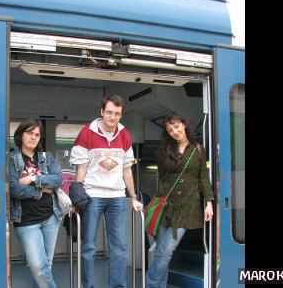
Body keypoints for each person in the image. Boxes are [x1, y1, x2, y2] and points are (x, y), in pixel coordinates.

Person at [69, 94, 144, 288]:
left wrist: (133, 197)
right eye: (109, 112)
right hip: (92, 194)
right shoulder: (87, 132)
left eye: (117, 114)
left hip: (117, 196)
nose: (112, 117)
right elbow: (81, 169)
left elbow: (126, 170)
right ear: (102, 112)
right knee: (89, 247)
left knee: (119, 247)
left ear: (121, 114)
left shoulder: (124, 134)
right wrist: (77, 199)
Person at [145, 112, 215, 288]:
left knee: (166, 251)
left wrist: (209, 203)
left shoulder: (198, 150)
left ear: (184, 125)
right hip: (165, 205)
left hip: (187, 207)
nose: (174, 131)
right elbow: (162, 176)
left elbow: (203, 178)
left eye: (176, 126)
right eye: (170, 130)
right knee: (160, 251)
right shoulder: (163, 152)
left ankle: (150, 284)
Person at [9, 119, 64, 288]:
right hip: (26, 221)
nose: (33, 137)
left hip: (50, 217)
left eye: (37, 135)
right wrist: (41, 191)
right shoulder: (11, 158)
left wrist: (33, 178)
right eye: (29, 133)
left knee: (46, 266)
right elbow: (14, 189)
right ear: (20, 135)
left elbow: (58, 180)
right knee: (38, 267)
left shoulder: (47, 158)